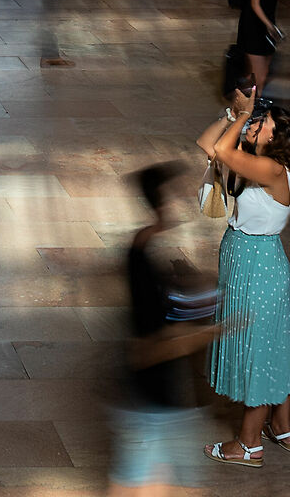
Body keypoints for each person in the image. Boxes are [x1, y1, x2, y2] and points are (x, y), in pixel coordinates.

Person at [196, 87, 290, 468]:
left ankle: (248, 445)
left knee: (258, 353)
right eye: (257, 119)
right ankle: (282, 427)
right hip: (250, 263)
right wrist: (232, 113)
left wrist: (242, 117)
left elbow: (223, 152)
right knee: (271, 347)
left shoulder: (274, 169)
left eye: (263, 124)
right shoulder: (255, 162)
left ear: (276, 139)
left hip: (257, 266)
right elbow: (207, 143)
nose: (256, 125)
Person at [112, 163, 214, 495]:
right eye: (177, 197)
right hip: (154, 405)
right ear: (162, 204)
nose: (182, 204)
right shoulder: (147, 278)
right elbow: (154, 347)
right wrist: (218, 330)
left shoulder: (138, 248)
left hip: (150, 400)